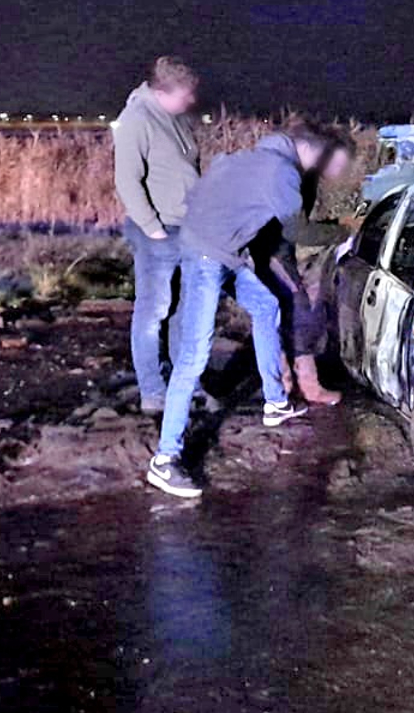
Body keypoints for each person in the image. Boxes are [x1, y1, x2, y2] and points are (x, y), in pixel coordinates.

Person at [145, 122, 338, 498]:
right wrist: (343, 232)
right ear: (308, 151)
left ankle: (276, 402)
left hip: (217, 251)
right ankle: (165, 459)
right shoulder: (283, 173)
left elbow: (196, 198)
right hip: (208, 258)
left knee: (266, 306)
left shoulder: (237, 159)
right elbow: (299, 234)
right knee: (195, 356)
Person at [112, 56, 200, 415]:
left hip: (186, 229)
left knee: (184, 312)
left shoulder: (173, 120)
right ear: (167, 91)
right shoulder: (137, 119)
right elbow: (126, 180)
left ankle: (184, 385)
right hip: (158, 234)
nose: (191, 101)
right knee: (153, 312)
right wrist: (152, 228)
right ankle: (152, 390)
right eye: (187, 94)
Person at [251, 116, 357, 406]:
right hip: (267, 249)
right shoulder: (294, 173)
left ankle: (290, 383)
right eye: (341, 161)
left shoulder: (304, 173)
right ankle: (292, 385)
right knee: (295, 311)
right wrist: (343, 230)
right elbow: (296, 229)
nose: (343, 170)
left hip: (273, 247)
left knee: (291, 312)